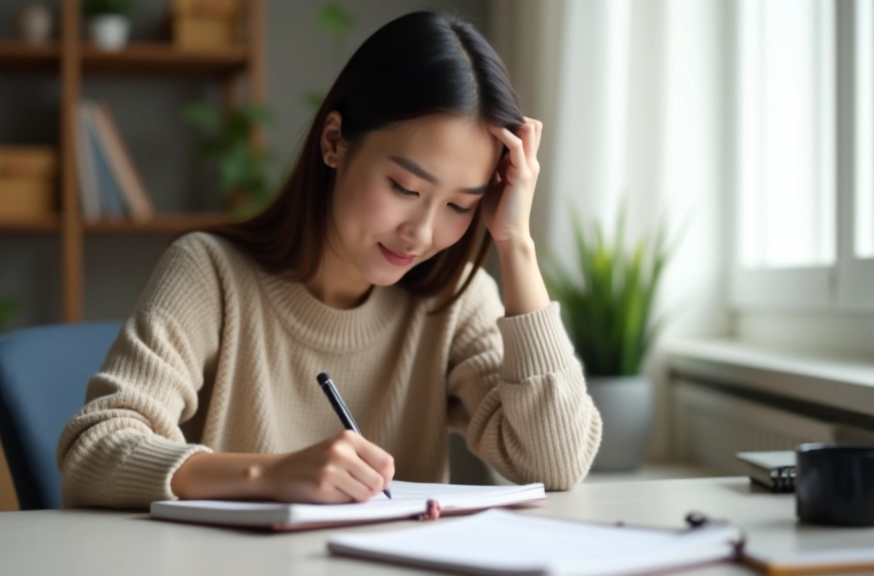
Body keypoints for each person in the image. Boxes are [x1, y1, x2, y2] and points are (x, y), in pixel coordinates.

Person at [57, 10, 602, 509]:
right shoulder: (210, 274)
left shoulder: (453, 299)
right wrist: (267, 476)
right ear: (336, 141)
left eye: (461, 204)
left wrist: (516, 245)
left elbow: (557, 464)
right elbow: (93, 451)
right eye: (404, 187)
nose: (422, 233)